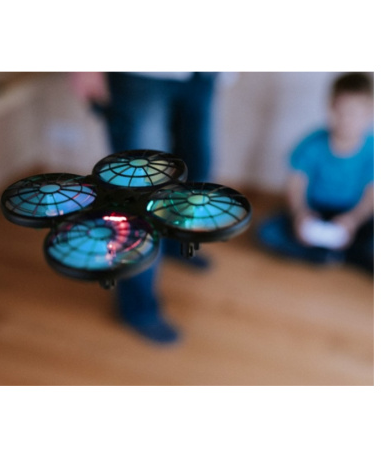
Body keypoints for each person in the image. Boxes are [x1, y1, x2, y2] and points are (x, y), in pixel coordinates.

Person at [70, 72, 221, 343]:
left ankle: (175, 244)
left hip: (203, 73)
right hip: (140, 73)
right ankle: (137, 307)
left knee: (196, 168)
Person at [257, 72, 374, 274]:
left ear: (369, 114)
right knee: (268, 232)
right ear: (330, 107)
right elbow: (296, 183)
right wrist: (300, 213)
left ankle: (335, 253)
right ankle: (330, 255)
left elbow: (372, 194)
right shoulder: (312, 142)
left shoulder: (373, 149)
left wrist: (354, 220)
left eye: (354, 113)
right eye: (341, 112)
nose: (346, 120)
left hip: (350, 215)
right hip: (314, 211)